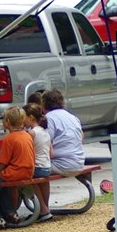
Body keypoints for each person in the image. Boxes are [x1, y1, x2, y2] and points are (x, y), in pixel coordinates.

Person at [0, 107, 35, 229]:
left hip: (14, 172)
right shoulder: (26, 136)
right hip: (28, 171)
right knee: (1, 185)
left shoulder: (9, 139)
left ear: (8, 122)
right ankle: (10, 213)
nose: (2, 122)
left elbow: (1, 163)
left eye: (3, 119)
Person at [42, 89, 84, 222]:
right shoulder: (72, 116)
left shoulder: (50, 118)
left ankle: (43, 208)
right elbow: (81, 138)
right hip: (79, 161)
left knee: (36, 170)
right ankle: (42, 207)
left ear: (44, 104)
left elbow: (45, 142)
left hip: (62, 163)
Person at [23, 103, 52, 219]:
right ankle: (45, 207)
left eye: (23, 117)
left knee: (26, 178)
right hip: (46, 166)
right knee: (44, 182)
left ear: (31, 117)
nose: (22, 121)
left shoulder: (31, 133)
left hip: (37, 167)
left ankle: (43, 209)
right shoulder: (44, 131)